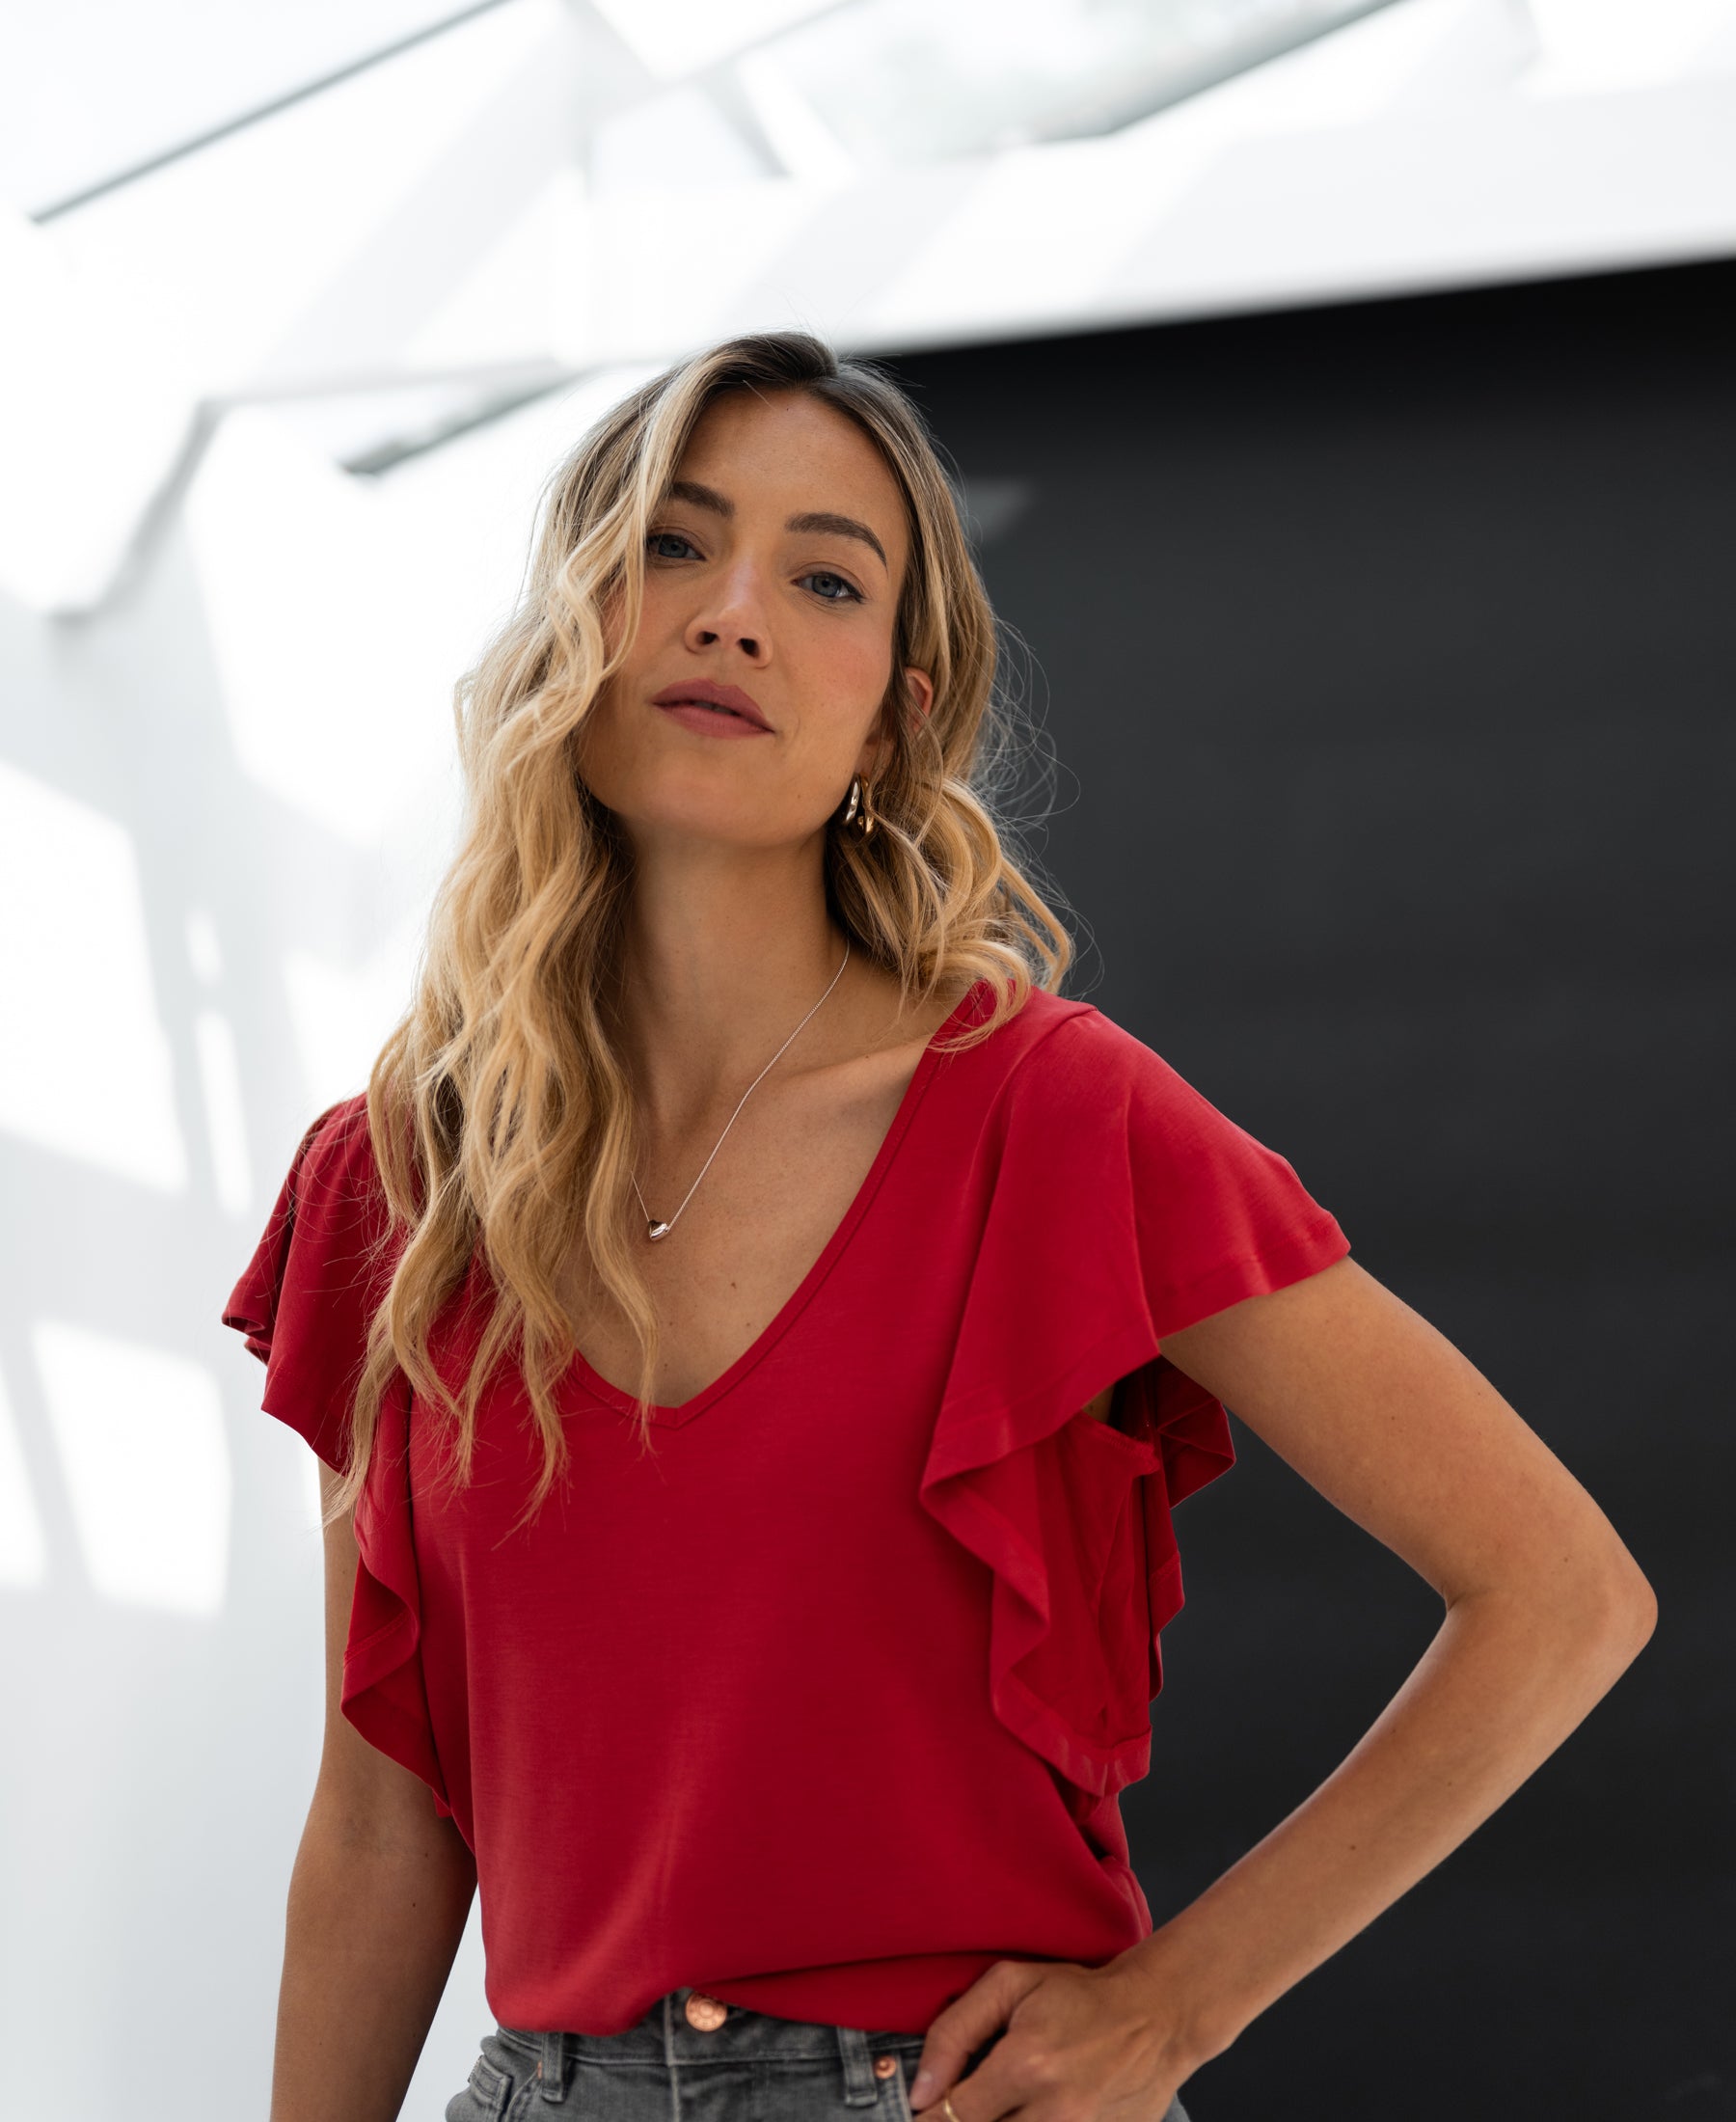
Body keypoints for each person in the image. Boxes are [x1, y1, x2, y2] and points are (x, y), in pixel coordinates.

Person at [223, 330, 1656, 2122]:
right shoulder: (393, 1185)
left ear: (898, 708)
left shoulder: (1049, 1113)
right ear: (570, 629)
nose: (733, 610)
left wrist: (1176, 2011)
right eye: (674, 544)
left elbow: (1560, 1592)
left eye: (824, 577)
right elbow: (376, 1826)